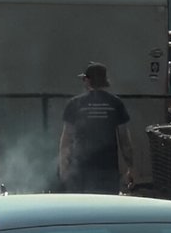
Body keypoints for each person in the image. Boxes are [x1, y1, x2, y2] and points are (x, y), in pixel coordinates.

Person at [57, 63, 136, 195]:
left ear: (87, 80)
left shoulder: (75, 103)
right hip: (108, 168)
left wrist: (63, 166)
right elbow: (125, 141)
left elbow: (66, 139)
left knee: (82, 208)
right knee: (107, 209)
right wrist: (131, 167)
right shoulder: (115, 103)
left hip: (81, 168)